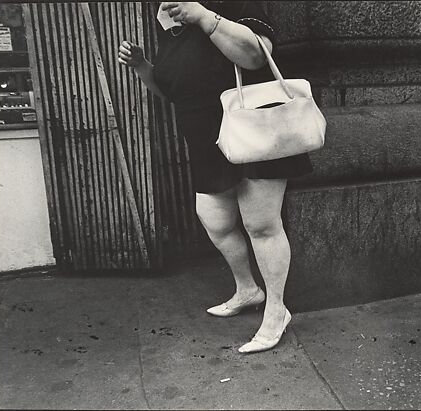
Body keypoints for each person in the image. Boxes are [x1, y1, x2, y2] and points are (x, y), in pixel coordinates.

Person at [118, 1, 313, 354]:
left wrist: (205, 17)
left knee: (261, 225)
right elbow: (174, 90)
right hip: (208, 139)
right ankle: (247, 290)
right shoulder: (169, 23)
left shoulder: (224, 5)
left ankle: (276, 310)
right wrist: (143, 67)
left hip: (253, 128)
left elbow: (257, 54)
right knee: (215, 219)